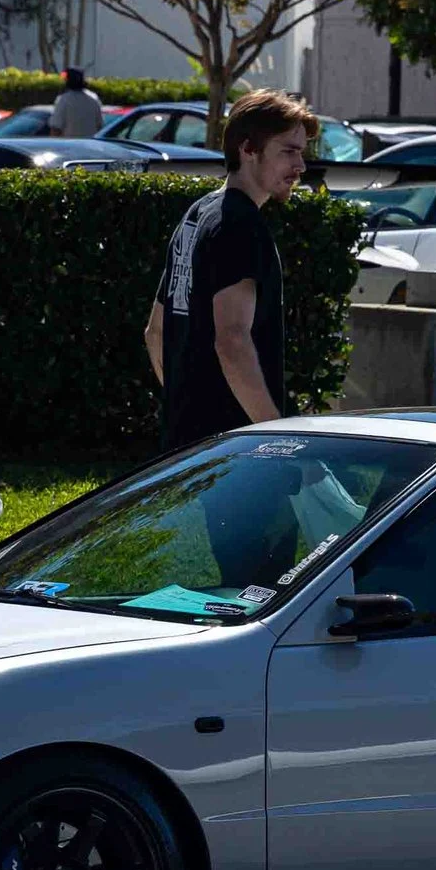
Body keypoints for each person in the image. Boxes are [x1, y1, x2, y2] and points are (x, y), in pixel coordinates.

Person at [144, 90, 314, 587]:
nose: (300, 166)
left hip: (193, 450)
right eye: (288, 151)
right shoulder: (242, 226)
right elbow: (233, 342)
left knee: (232, 587)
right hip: (242, 457)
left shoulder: (199, 214)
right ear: (247, 149)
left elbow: (155, 332)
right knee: (263, 591)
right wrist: (279, 438)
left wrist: (185, 407)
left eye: (302, 152)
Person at [50, 68, 105, 138]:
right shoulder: (93, 98)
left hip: (70, 143)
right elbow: (100, 125)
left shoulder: (64, 100)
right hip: (90, 142)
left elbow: (56, 128)